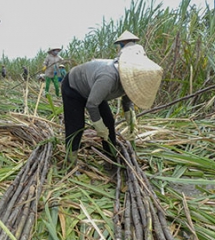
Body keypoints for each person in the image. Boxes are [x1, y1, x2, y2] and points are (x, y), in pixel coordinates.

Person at [61, 30, 163, 164]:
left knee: (109, 121)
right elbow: (91, 104)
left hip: (94, 89)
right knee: (77, 125)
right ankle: (71, 159)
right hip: (74, 86)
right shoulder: (108, 77)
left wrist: (130, 118)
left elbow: (127, 98)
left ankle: (110, 156)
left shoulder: (131, 78)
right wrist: (98, 126)